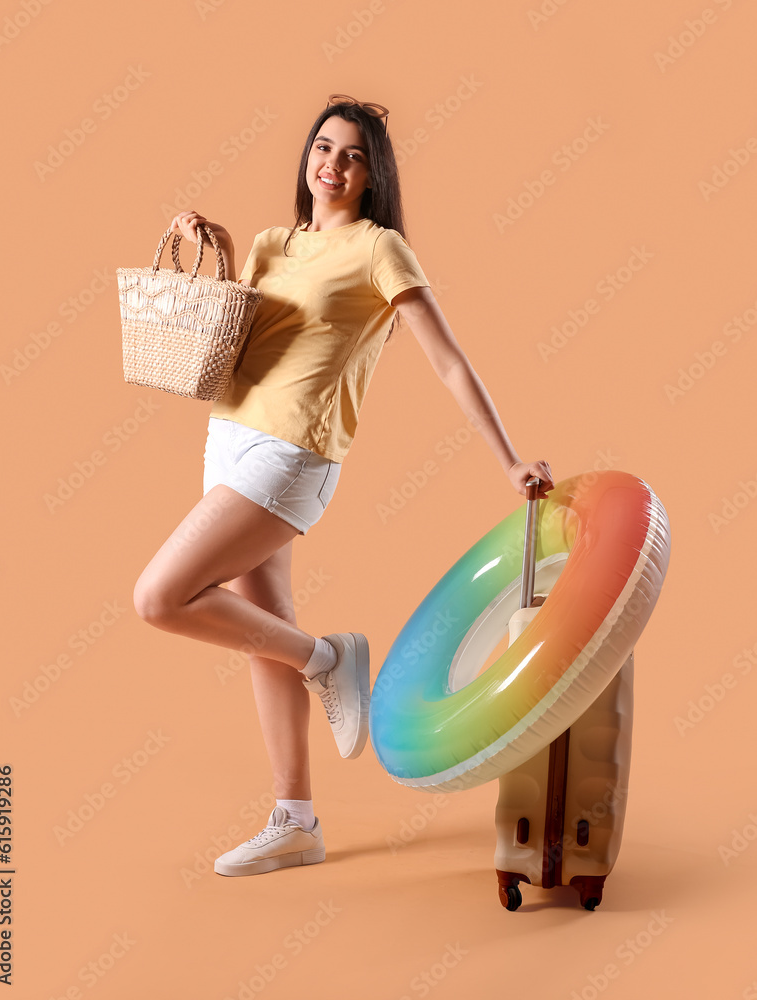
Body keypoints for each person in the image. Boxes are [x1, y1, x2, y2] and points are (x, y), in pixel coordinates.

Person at [132, 94, 555, 878]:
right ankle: (296, 822)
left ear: (371, 175)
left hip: (291, 452)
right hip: (226, 436)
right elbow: (241, 335)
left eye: (351, 155)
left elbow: (449, 360)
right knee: (262, 634)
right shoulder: (270, 243)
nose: (331, 164)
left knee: (159, 597)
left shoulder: (378, 249)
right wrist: (218, 249)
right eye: (322, 147)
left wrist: (506, 459)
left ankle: (328, 658)